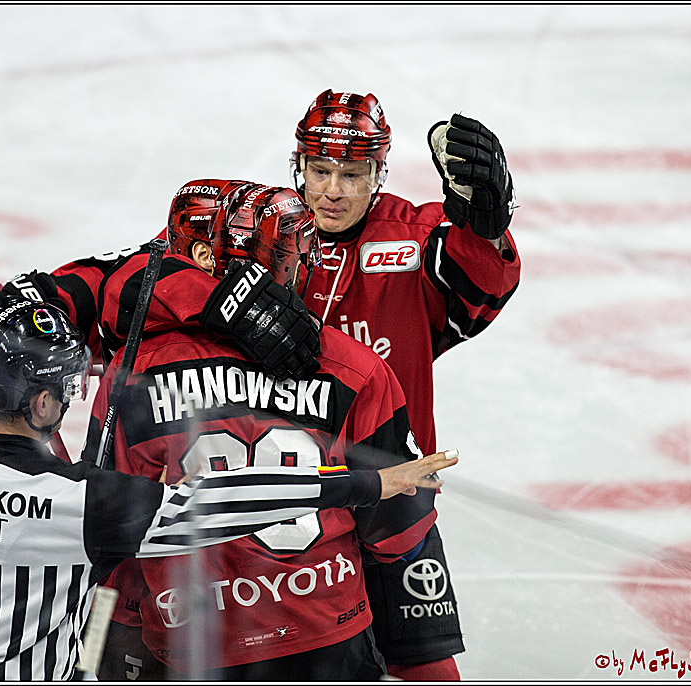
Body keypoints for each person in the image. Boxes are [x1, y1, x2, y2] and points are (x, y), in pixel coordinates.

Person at [0, 292, 458, 681]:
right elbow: (218, 502)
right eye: (64, 386)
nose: (70, 395)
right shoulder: (78, 504)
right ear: (42, 404)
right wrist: (368, 481)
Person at [82, 181, 456, 679]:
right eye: (294, 255)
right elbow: (400, 531)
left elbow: (109, 529)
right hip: (325, 633)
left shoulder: (134, 371)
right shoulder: (354, 366)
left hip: (193, 641)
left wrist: (110, 644)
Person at [290, 89, 522, 681]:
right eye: (320, 171)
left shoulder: (414, 236)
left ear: (378, 174)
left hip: (396, 495)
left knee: (427, 668)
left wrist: (486, 225)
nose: (332, 190)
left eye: (352, 173)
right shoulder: (267, 233)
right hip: (290, 502)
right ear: (299, 167)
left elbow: (482, 287)